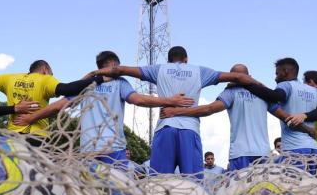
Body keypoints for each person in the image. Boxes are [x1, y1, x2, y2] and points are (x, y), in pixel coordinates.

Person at [94, 48, 260, 176]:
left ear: (169, 60)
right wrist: (256, 86)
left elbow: (120, 70)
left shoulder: (159, 69)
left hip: (165, 127)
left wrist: (95, 74)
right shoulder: (200, 71)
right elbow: (238, 77)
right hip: (190, 129)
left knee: (158, 183)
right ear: (186, 59)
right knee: (193, 183)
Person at [13, 51, 194, 163]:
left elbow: (58, 106)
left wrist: (30, 118)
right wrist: (170, 100)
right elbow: (138, 100)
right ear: (115, 66)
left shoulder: (85, 84)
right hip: (114, 150)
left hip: (88, 151)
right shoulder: (120, 82)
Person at [0, 60, 106, 146]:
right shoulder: (45, 80)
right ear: (45, 69)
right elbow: (67, 88)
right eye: (51, 73)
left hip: (13, 138)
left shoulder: (9, 78)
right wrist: (98, 79)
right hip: (38, 137)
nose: (52, 76)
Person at [161, 64, 283, 171]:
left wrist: (176, 111)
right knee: (261, 194)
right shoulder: (264, 95)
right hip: (264, 153)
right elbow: (284, 116)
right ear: (249, 76)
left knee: (240, 194)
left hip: (240, 153)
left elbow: (208, 109)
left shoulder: (231, 93)